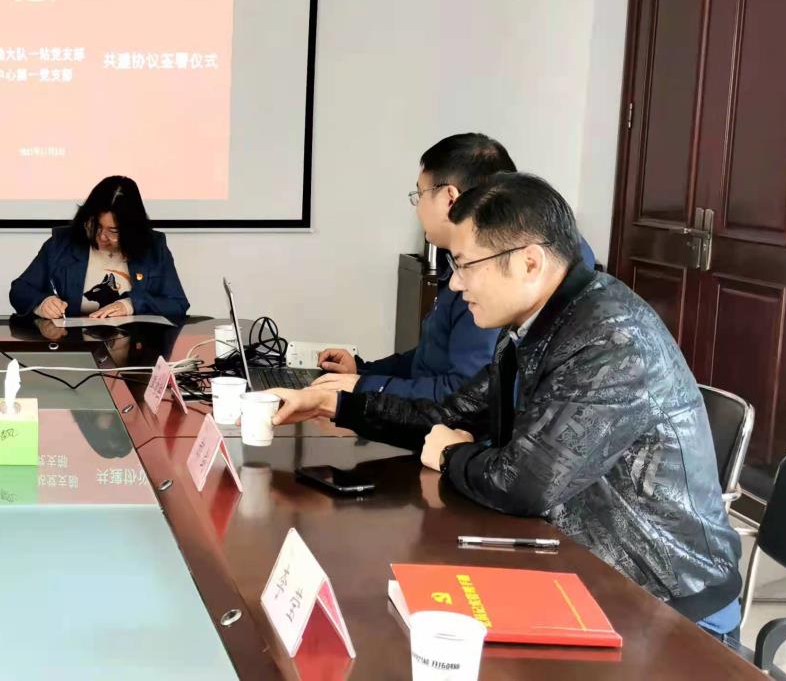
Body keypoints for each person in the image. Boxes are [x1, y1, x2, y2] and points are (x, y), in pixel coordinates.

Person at [267, 173, 743, 638]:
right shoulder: (534, 323)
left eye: (465, 266)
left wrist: (451, 455)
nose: (456, 286)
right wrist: (338, 405)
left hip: (666, 606)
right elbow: (452, 414)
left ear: (529, 263)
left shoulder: (612, 341)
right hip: (576, 570)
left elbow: (526, 483)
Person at [312, 133, 595, 401]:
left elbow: (467, 394)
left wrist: (362, 388)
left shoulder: (496, 277)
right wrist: (364, 373)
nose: (458, 283)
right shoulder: (478, 265)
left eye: (419, 193)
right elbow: (435, 361)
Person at [9, 175, 189, 320]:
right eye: (96, 226)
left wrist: (131, 304)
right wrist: (42, 302)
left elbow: (177, 304)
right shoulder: (62, 243)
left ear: (131, 229)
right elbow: (20, 289)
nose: (102, 237)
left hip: (135, 348)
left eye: (113, 231)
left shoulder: (153, 248)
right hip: (76, 346)